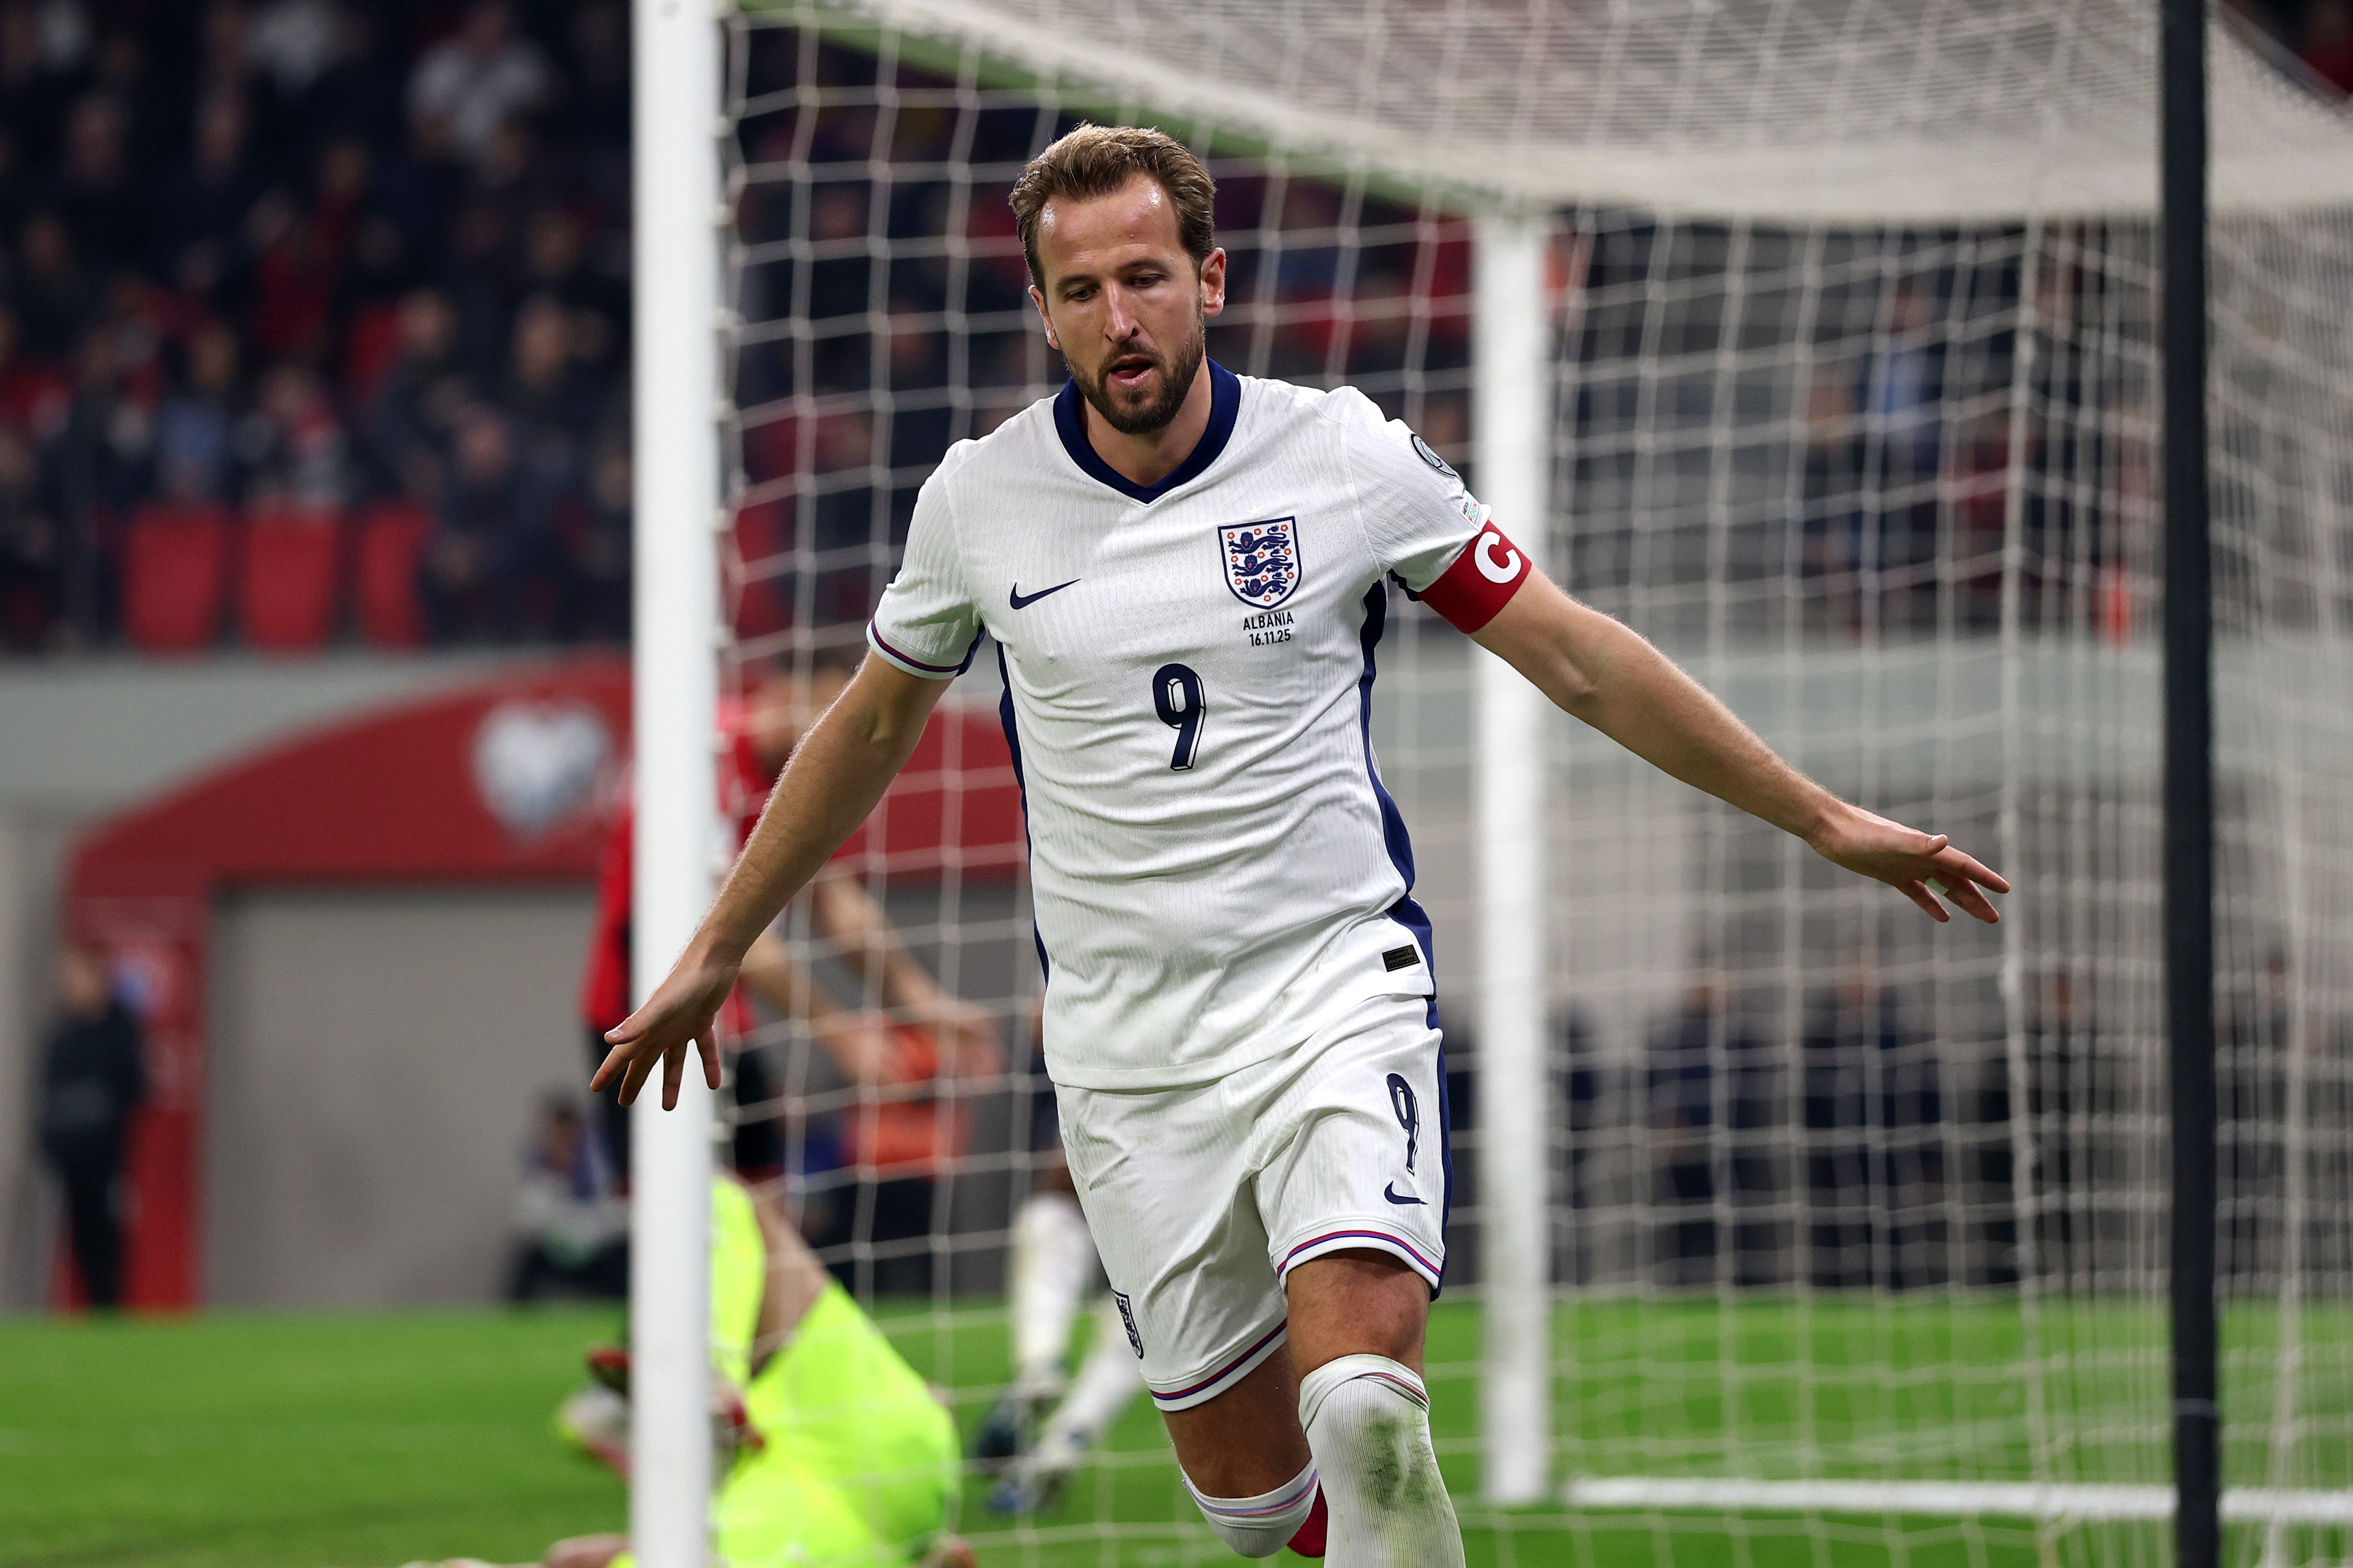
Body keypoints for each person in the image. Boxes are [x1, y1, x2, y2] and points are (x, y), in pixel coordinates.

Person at [599, 126, 2008, 1566]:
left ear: (1209, 279)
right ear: (1042, 311)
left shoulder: (1340, 455)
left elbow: (1578, 657)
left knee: (1365, 1402)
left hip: (1327, 988)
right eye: (1080, 291)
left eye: (1146, 277)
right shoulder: (976, 501)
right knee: (1258, 1503)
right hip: (1125, 1050)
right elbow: (864, 731)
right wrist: (716, 947)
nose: (1118, 317)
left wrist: (1823, 816)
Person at [544, 1176, 974, 1568]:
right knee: (713, 1194)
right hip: (884, 1441)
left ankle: (708, 1379)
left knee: (709, 1193)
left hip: (832, 1477)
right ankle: (711, 1377)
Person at [971, 1015, 1146, 1515]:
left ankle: (1040, 1364)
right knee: (1159, 1279)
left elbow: (1039, 1017)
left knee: (1060, 1195)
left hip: (1113, 1055)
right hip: (1222, 1077)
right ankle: (1070, 1436)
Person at [36, 939, 146, 1310]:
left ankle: (109, 1312)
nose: (69, 986)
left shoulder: (119, 1030)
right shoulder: (62, 1033)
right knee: (78, 1240)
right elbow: (50, 1093)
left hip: (106, 1156)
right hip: (68, 1156)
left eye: (76, 976)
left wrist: (99, 1114)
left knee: (107, 1238)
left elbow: (134, 1087)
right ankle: (88, 1313)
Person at [506, 1095, 627, 1302]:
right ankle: (514, 1316)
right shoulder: (538, 1173)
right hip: (558, 1251)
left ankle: (626, 1309)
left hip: (600, 1253)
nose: (563, 1145)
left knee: (623, 1257)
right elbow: (528, 1221)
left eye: (569, 1138)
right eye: (556, 1138)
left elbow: (621, 1217)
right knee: (528, 1258)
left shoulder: (604, 1170)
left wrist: (588, 1236)